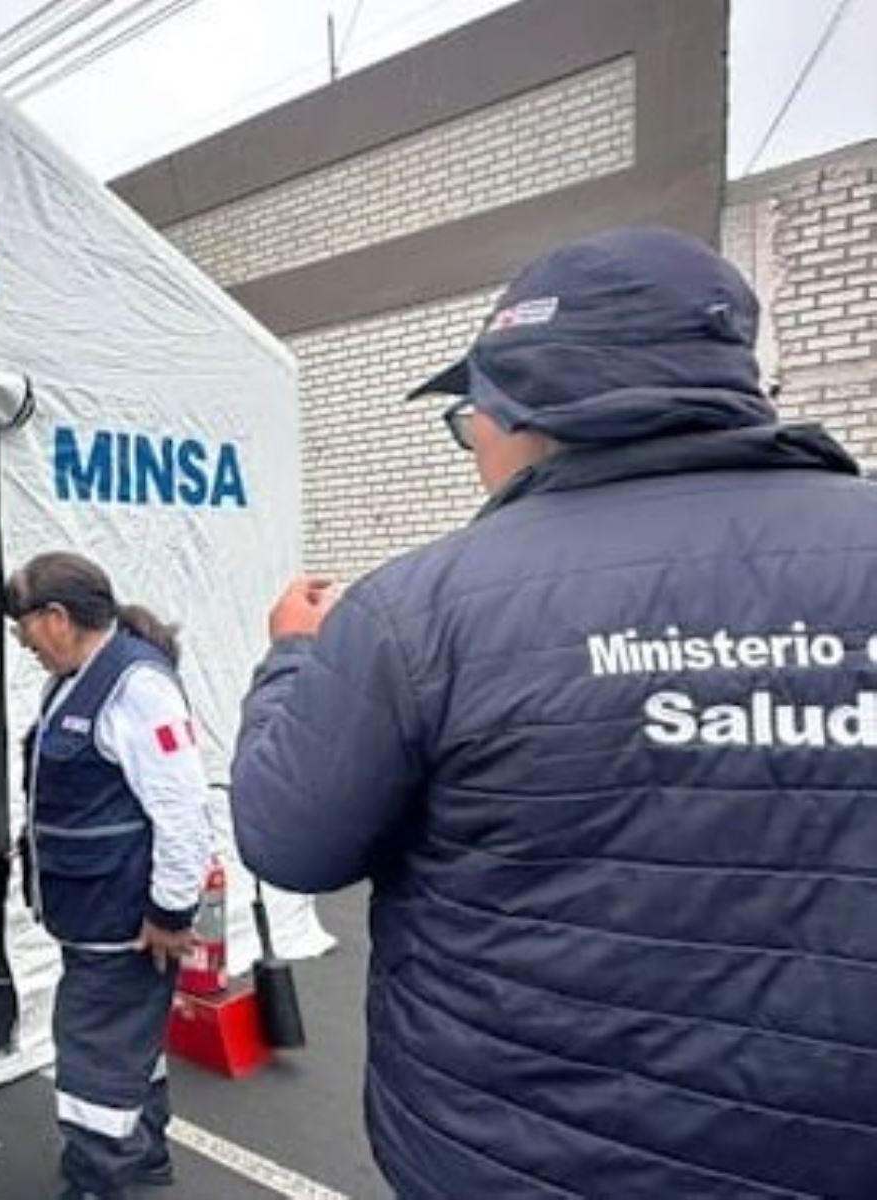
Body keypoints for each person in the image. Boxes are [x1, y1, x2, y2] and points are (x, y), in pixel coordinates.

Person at [230, 226, 877, 1196]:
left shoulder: (422, 610)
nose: (472, 451)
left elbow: (287, 839)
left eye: (469, 421)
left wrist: (292, 658)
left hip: (506, 1157)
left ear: (531, 407)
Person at [5, 552, 213, 1200]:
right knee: (128, 1042)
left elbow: (182, 813)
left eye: (24, 629)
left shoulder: (137, 688)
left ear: (58, 618)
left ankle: (100, 1182)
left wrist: (171, 915)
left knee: (94, 1056)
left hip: (123, 921)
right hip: (94, 913)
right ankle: (144, 1157)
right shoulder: (73, 679)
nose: (22, 644)